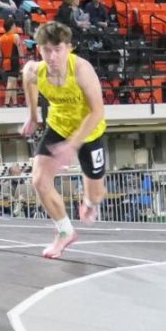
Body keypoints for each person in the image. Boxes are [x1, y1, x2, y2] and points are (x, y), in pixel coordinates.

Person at [21, 20, 108, 260]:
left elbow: (97, 111)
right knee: (39, 179)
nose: (52, 56)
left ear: (68, 48)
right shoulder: (34, 70)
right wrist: (33, 115)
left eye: (57, 50)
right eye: (46, 50)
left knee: (97, 195)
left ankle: (90, 201)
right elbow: (27, 80)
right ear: (39, 50)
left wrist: (73, 144)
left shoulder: (81, 69)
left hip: (89, 130)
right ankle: (64, 231)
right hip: (58, 126)